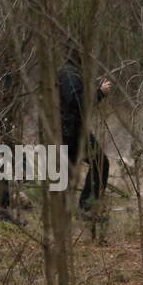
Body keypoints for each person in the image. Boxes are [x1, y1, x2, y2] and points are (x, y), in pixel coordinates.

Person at [57, 55, 112, 214]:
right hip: (71, 132)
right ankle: (86, 208)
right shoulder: (69, 74)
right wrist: (100, 93)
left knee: (67, 173)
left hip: (69, 130)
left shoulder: (70, 72)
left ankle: (70, 211)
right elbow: (76, 102)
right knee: (100, 164)